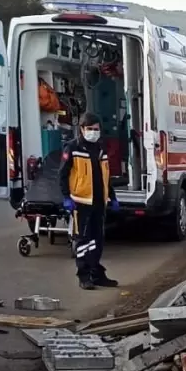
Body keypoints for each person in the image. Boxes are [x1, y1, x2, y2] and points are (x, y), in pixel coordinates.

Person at [59, 112, 120, 290]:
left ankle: (97, 273)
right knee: (83, 241)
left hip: (99, 203)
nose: (93, 132)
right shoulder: (72, 148)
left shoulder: (100, 149)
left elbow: (106, 177)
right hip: (81, 202)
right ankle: (84, 275)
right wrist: (66, 197)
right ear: (82, 129)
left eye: (96, 129)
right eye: (90, 129)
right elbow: (62, 175)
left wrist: (113, 197)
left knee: (97, 241)